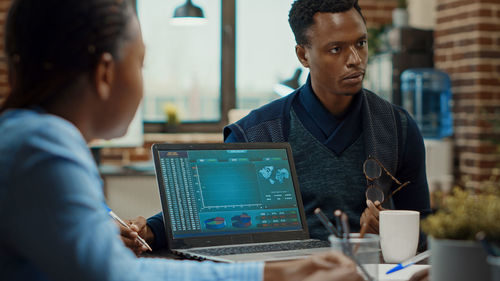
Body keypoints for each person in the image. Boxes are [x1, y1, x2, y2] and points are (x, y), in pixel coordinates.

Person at [0, 0, 364, 281]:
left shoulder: (25, 136)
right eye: (140, 63)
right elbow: (119, 275)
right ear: (106, 73)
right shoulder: (43, 145)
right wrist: (275, 272)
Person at [133, 0, 430, 253]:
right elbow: (206, 216)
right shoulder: (255, 133)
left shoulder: (397, 128)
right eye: (336, 49)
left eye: (361, 43)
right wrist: (147, 232)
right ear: (303, 55)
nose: (355, 60)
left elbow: (427, 228)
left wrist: (393, 229)